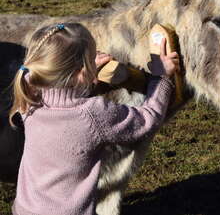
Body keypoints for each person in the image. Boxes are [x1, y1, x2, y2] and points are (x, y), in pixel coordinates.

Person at [9, 22, 179, 215]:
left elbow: (63, 97)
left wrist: (87, 70)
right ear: (81, 73)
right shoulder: (93, 114)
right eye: (92, 57)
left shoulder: (29, 94)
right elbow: (147, 120)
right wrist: (161, 77)